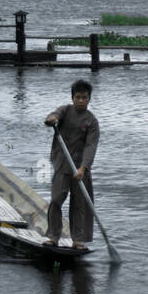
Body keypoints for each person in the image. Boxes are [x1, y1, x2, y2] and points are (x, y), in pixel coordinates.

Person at [42, 79, 100, 249]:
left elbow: (91, 146)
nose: (81, 100)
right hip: (62, 163)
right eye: (77, 97)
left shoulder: (92, 121)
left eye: (84, 97)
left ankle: (78, 240)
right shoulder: (66, 111)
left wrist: (83, 167)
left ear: (89, 99)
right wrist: (51, 119)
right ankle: (53, 236)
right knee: (56, 200)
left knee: (80, 204)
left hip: (81, 167)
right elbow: (53, 116)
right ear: (72, 97)